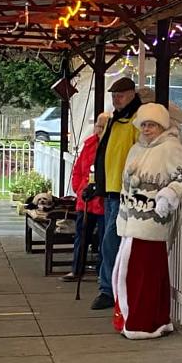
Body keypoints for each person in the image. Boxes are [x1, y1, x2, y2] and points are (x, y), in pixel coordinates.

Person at [111, 102, 182, 339]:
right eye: (144, 124)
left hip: (151, 222)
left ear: (162, 126)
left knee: (141, 275)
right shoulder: (137, 148)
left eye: (152, 125)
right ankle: (149, 320)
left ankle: (142, 322)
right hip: (130, 220)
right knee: (132, 273)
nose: (147, 129)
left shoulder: (171, 147)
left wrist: (169, 194)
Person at [90, 78, 141, 310]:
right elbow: (103, 153)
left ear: (131, 94)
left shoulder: (135, 120)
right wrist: (95, 183)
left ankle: (108, 290)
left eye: (120, 95)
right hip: (110, 188)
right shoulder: (115, 120)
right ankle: (110, 286)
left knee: (111, 241)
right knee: (108, 240)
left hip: (124, 190)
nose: (116, 99)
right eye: (113, 96)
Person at [62, 112, 109, 283]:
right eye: (98, 126)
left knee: (104, 239)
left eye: (103, 127)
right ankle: (77, 270)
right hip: (86, 199)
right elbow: (78, 169)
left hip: (103, 200)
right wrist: (78, 188)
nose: (99, 130)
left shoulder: (111, 145)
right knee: (81, 237)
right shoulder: (89, 144)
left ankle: (102, 273)